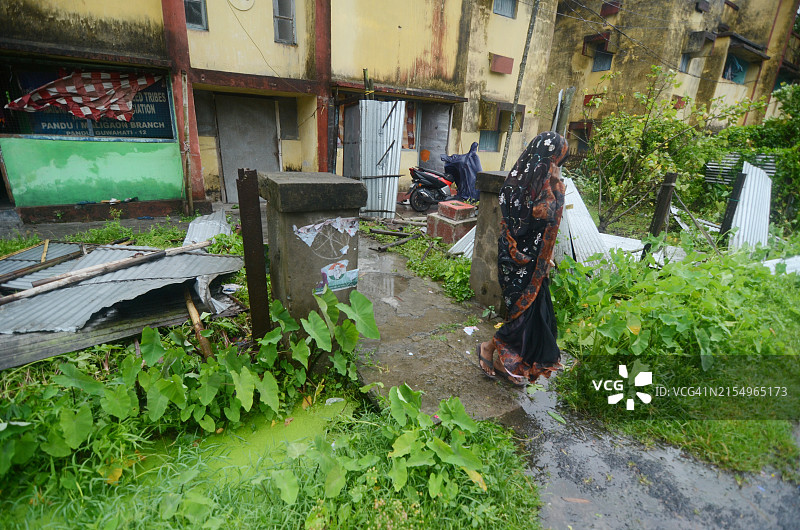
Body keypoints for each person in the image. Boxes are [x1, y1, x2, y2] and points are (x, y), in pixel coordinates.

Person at [478, 131, 568, 386]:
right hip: (516, 260)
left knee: (532, 317)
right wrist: (557, 186)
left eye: (558, 162)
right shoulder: (518, 185)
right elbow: (533, 221)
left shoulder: (540, 184)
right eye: (555, 160)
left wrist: (545, 258)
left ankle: (501, 360)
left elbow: (545, 228)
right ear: (544, 157)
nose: (556, 167)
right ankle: (487, 347)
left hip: (535, 262)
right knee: (521, 319)